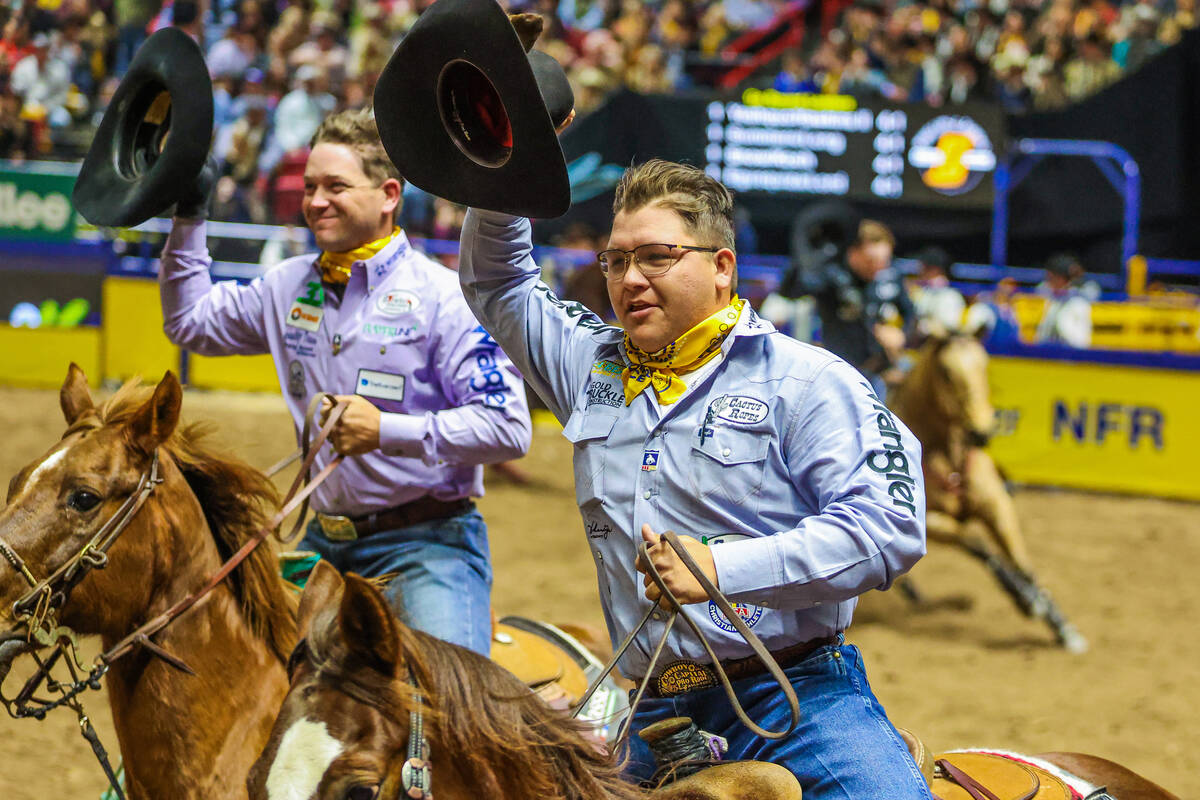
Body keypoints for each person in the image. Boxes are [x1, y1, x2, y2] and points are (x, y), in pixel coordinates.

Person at [458, 158, 930, 799]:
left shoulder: (809, 381)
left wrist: (722, 569)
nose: (629, 279)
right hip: (656, 714)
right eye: (616, 261)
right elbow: (497, 280)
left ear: (722, 267)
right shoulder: (592, 364)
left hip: (797, 701)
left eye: (656, 257)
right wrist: (502, 164)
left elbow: (890, 529)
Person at [157, 108, 531, 656]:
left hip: (427, 546)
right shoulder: (286, 285)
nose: (315, 201)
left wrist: (386, 430)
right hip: (321, 546)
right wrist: (190, 216)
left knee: (446, 712)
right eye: (309, 187)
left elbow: (508, 427)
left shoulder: (445, 298)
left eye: (335, 186)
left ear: (388, 195)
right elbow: (189, 323)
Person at [803, 219, 915, 398]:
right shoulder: (831, 276)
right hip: (839, 370)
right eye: (872, 261)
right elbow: (794, 289)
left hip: (882, 368)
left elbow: (909, 312)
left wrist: (901, 334)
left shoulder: (891, 275)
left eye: (884, 260)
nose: (880, 266)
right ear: (853, 253)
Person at [1035, 252, 1093, 348]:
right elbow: (1041, 336)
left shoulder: (1079, 304)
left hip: (1070, 356)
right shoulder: (1050, 301)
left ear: (1061, 279)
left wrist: (1062, 323)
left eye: (1052, 278)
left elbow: (1082, 342)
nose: (1049, 282)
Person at [909, 244, 966, 335]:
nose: (920, 270)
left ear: (935, 269)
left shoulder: (950, 296)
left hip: (938, 346)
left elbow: (947, 328)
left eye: (924, 266)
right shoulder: (921, 291)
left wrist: (924, 326)